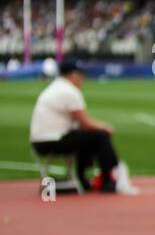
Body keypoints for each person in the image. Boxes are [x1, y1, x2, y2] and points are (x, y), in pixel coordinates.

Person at [29, 60, 121, 193]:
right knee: (100, 135)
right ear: (73, 75)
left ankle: (83, 179)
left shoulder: (55, 87)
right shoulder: (69, 91)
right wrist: (105, 127)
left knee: (86, 136)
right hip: (53, 141)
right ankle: (107, 179)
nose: (83, 79)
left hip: (40, 142)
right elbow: (86, 124)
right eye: (81, 75)